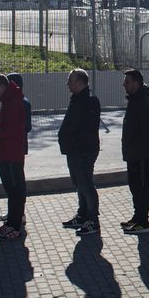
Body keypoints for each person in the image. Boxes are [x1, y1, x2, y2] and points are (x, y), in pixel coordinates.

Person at [0, 74, 30, 241]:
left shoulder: (14, 103)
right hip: (6, 153)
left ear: (2, 86)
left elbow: (10, 131)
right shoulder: (9, 102)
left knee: (15, 190)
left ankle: (15, 226)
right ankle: (11, 223)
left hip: (11, 154)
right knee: (11, 191)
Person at [57, 69, 101, 235]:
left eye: (70, 81)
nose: (67, 84)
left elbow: (85, 128)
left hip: (83, 150)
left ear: (80, 83)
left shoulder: (89, 101)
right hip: (73, 150)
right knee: (79, 182)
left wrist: (73, 141)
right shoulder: (76, 99)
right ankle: (82, 214)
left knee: (86, 183)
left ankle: (93, 219)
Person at [120, 69, 149, 234]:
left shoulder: (144, 102)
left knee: (141, 187)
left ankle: (143, 222)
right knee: (134, 186)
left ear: (136, 83)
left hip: (141, 153)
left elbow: (146, 132)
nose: (124, 85)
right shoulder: (135, 100)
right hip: (133, 152)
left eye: (127, 82)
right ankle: (137, 216)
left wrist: (133, 147)